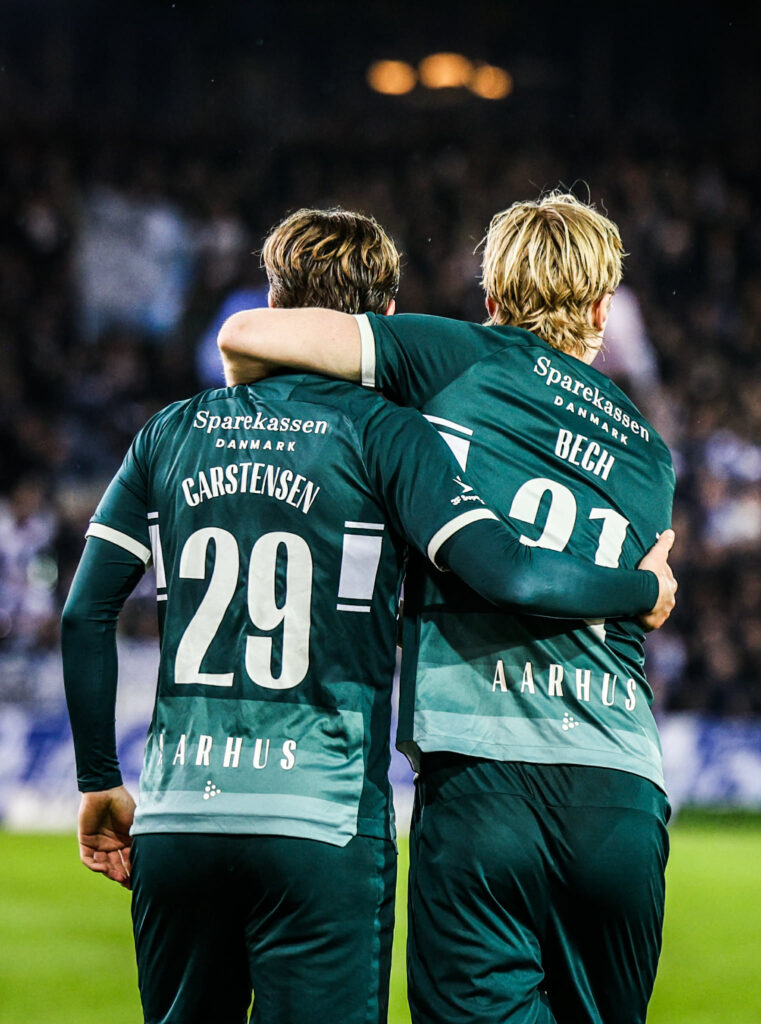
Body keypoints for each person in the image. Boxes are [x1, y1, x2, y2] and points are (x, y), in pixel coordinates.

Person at [62, 206, 676, 1024]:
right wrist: (644, 591)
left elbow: (85, 612)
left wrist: (98, 778)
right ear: (603, 309)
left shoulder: (183, 429)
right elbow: (524, 572)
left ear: (490, 296)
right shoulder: (641, 449)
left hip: (248, 804)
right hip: (587, 788)